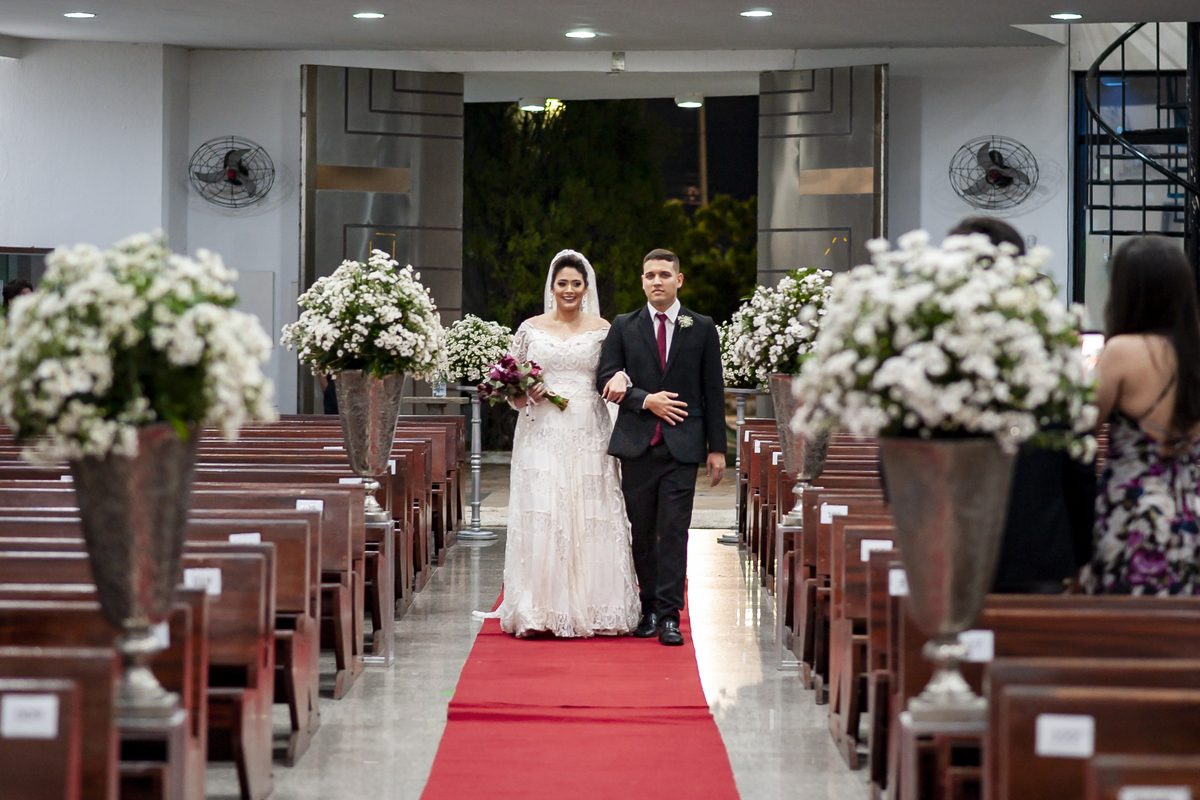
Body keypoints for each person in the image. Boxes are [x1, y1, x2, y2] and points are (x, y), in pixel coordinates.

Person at [493, 249, 641, 637]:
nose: (570, 290)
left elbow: (615, 371)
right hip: (540, 429)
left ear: (586, 287)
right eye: (563, 284)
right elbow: (512, 388)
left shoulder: (603, 328)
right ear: (552, 287)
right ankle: (539, 607)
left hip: (588, 430)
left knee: (590, 509)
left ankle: (596, 605)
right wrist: (527, 393)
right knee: (544, 507)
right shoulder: (530, 328)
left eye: (577, 283)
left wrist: (622, 378)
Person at [945, 217, 1096, 592]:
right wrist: (1081, 556)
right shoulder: (1051, 352)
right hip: (1037, 555)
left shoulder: (934, 349)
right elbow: (1077, 467)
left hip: (947, 551)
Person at [597, 248, 727, 646]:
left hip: (683, 447)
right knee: (643, 530)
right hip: (638, 445)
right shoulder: (624, 325)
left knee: (674, 531)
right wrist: (643, 399)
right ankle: (648, 607)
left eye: (665, 275)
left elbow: (712, 392)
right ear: (642, 281)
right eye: (650, 274)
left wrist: (717, 449)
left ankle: (670, 615)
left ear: (679, 280)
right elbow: (604, 377)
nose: (657, 281)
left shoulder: (701, 327)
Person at [1085, 237, 1200, 595]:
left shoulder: (1123, 351)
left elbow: (1081, 424)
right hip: (1192, 508)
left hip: (1134, 514)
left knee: (1125, 630)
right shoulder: (1195, 351)